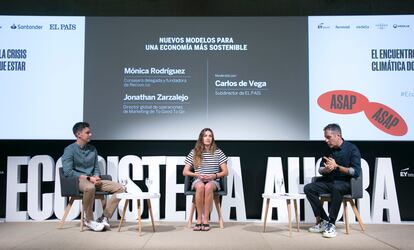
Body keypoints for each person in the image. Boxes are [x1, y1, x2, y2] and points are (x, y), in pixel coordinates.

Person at [62, 122, 124, 231]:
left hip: (92, 180)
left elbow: (96, 167)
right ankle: (89, 220)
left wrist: (96, 176)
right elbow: (68, 172)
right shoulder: (69, 150)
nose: (90, 134)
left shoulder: (92, 149)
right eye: (87, 132)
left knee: (120, 188)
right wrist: (88, 178)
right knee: (90, 187)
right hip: (78, 180)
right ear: (78, 134)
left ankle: (104, 217)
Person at [304, 123, 361, 238]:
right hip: (329, 181)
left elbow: (356, 172)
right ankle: (324, 220)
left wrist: (337, 167)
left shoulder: (351, 149)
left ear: (338, 135)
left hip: (346, 183)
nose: (326, 140)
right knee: (308, 188)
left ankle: (332, 223)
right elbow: (320, 169)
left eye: (328, 137)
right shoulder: (327, 150)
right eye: (325, 137)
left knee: (336, 187)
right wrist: (326, 169)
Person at [182, 128, 228, 231]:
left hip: (213, 181)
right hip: (198, 180)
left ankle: (206, 220)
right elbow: (185, 171)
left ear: (212, 138)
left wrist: (214, 176)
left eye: (210, 136)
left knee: (208, 186)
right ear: (201, 138)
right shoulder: (194, 152)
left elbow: (225, 172)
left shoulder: (218, 152)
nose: (208, 138)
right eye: (205, 136)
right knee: (200, 185)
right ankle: (199, 220)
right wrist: (196, 174)